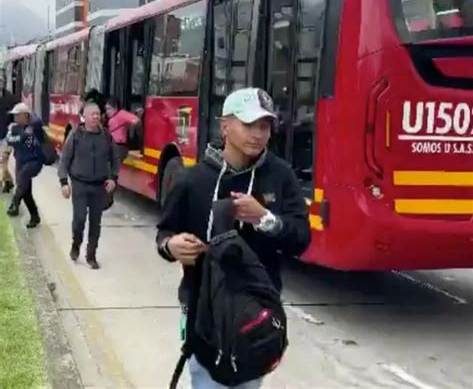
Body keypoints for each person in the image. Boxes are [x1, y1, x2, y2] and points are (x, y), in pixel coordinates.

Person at [156, 88, 311, 389]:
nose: (258, 134)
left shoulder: (280, 176)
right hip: (203, 312)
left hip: (257, 315)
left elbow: (301, 239)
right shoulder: (193, 179)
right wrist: (171, 246)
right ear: (225, 126)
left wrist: (265, 219)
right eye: (250, 124)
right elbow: (164, 234)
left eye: (265, 126)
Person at [58, 102, 121, 269]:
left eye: (97, 114)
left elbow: (115, 159)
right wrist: (64, 182)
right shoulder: (76, 136)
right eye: (91, 114)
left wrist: (113, 178)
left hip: (99, 186)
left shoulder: (106, 137)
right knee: (79, 219)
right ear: (84, 117)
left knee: (96, 222)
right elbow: (64, 160)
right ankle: (76, 244)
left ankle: (91, 254)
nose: (95, 117)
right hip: (79, 184)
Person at [6, 102, 44, 228]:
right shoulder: (13, 128)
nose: (15, 117)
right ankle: (35, 216)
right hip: (20, 160)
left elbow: (39, 137)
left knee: (22, 180)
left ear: (25, 115)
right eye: (14, 115)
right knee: (26, 190)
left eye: (18, 115)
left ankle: (14, 204)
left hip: (34, 161)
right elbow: (10, 140)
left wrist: (27, 132)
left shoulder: (35, 125)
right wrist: (22, 135)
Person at [105, 97, 139, 161]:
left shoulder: (121, 114)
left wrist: (132, 129)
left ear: (115, 108)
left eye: (109, 109)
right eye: (106, 109)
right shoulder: (112, 117)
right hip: (112, 146)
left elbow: (136, 120)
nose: (107, 112)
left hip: (119, 147)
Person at [0, 72, 16, 193]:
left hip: (7, 135)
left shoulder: (10, 98)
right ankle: (8, 181)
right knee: (2, 163)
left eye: (1, 81)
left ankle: (3, 183)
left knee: (3, 160)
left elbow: (16, 115)